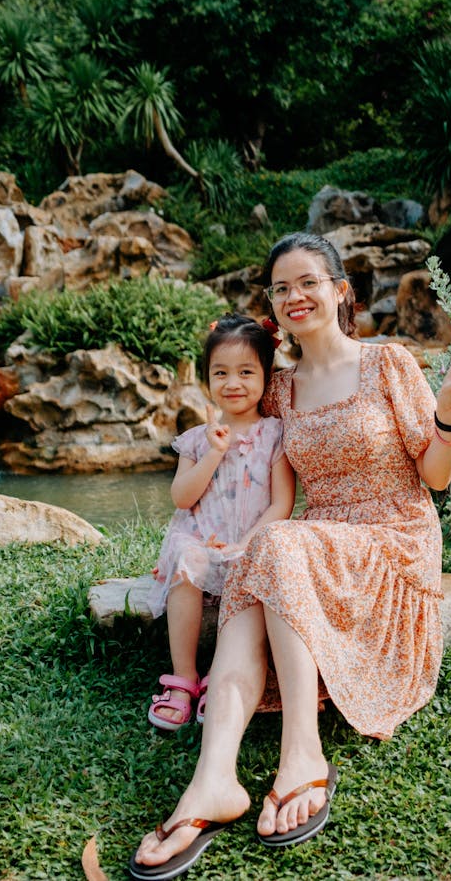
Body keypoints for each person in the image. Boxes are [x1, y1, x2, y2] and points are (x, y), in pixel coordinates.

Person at [130, 232, 451, 881]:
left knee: (274, 543)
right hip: (314, 543)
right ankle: (214, 778)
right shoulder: (278, 388)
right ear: (273, 305)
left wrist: (447, 418)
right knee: (264, 548)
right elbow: (235, 449)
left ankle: (303, 753)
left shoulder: (388, 363)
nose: (296, 295)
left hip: (394, 541)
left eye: (308, 281)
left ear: (339, 289)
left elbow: (435, 479)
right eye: (281, 286)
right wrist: (212, 529)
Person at [146, 313, 296, 732]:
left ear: (267, 374)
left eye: (246, 372)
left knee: (248, 569)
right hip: (199, 538)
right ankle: (184, 678)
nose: (233, 383)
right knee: (187, 560)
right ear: (206, 377)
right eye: (221, 372)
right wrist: (213, 453)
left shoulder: (275, 434)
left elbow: (282, 503)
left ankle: (222, 676)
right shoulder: (197, 438)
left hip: (248, 542)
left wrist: (247, 543)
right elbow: (181, 497)